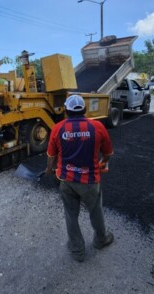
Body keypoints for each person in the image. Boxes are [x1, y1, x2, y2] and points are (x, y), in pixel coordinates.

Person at [45, 95, 115, 262]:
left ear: (66, 111)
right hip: (90, 181)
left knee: (71, 215)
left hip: (66, 181)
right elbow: (108, 153)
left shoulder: (57, 128)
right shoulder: (97, 126)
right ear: (84, 110)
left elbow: (51, 155)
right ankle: (100, 240)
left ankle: (77, 251)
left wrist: (49, 170)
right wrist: (103, 162)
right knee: (95, 211)